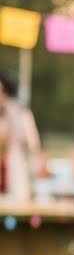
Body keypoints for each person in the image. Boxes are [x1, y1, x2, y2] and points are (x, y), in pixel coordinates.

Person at [0, 70, 42, 202]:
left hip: (16, 155)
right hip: (11, 155)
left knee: (18, 191)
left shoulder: (16, 109)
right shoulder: (15, 108)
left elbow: (28, 137)